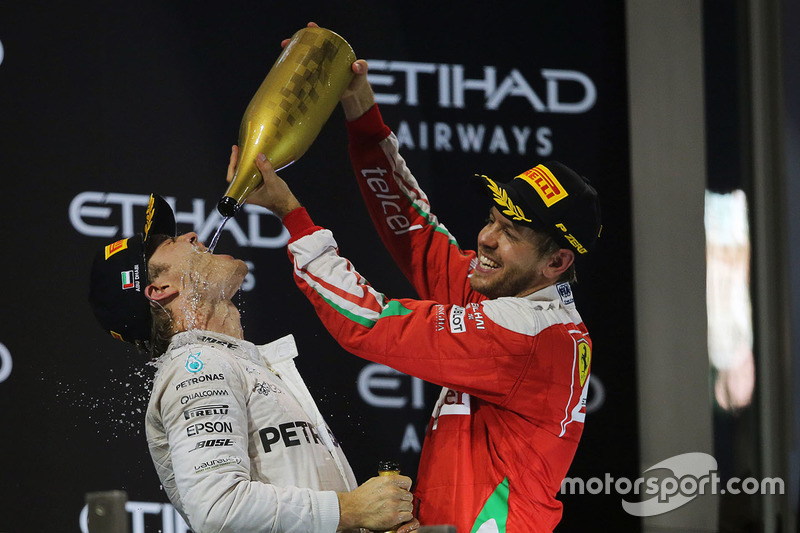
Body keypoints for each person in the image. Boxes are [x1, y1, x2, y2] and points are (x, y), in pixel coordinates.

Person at [237, 28, 603, 532]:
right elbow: (416, 233)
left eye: (511, 232)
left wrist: (293, 216)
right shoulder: (517, 299)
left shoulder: (524, 334)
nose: (487, 238)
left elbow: (369, 322)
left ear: (557, 263)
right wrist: (361, 112)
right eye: (493, 218)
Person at [88, 194, 418, 533]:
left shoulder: (236, 362)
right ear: (159, 289)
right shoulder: (197, 366)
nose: (190, 236)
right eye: (171, 241)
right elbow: (219, 509)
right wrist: (351, 509)